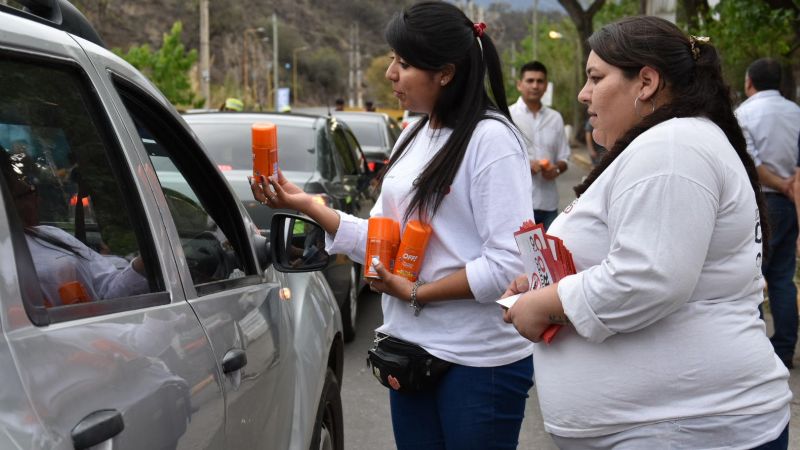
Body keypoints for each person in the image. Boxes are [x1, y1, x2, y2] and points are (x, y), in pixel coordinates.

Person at [252, 2, 534, 448]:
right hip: (410, 351)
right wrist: (306, 204)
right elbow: (384, 239)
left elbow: (507, 264)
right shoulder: (413, 133)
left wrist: (416, 292)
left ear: (445, 73)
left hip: (477, 364)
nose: (390, 74)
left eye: (404, 63)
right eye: (392, 60)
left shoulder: (492, 139)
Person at [503, 16, 792, 448]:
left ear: (646, 82)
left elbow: (649, 277)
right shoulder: (667, 143)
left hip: (685, 427)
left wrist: (544, 303)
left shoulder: (672, 147)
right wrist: (546, 285)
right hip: (668, 425)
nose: (583, 94)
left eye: (595, 78)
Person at [2, 150, 148, 306]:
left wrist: (143, 264)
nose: (38, 200)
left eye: (33, 191)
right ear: (6, 202)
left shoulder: (51, 235)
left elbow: (108, 290)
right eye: (27, 193)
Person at [735, 57, 800, 370]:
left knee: (753, 277)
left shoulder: (743, 114)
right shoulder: (796, 111)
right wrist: (790, 186)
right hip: (792, 201)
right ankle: (785, 350)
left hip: (762, 202)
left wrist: (780, 184)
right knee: (783, 279)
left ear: (749, 82)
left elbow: (752, 164)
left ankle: (759, 353)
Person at [509, 61, 571, 230]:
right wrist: (524, 165)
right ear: (519, 85)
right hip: (518, 205)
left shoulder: (555, 118)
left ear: (546, 86)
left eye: (540, 81)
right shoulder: (508, 117)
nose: (535, 86)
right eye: (530, 80)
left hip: (548, 204)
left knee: (550, 247)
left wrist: (556, 170)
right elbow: (498, 160)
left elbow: (564, 158)